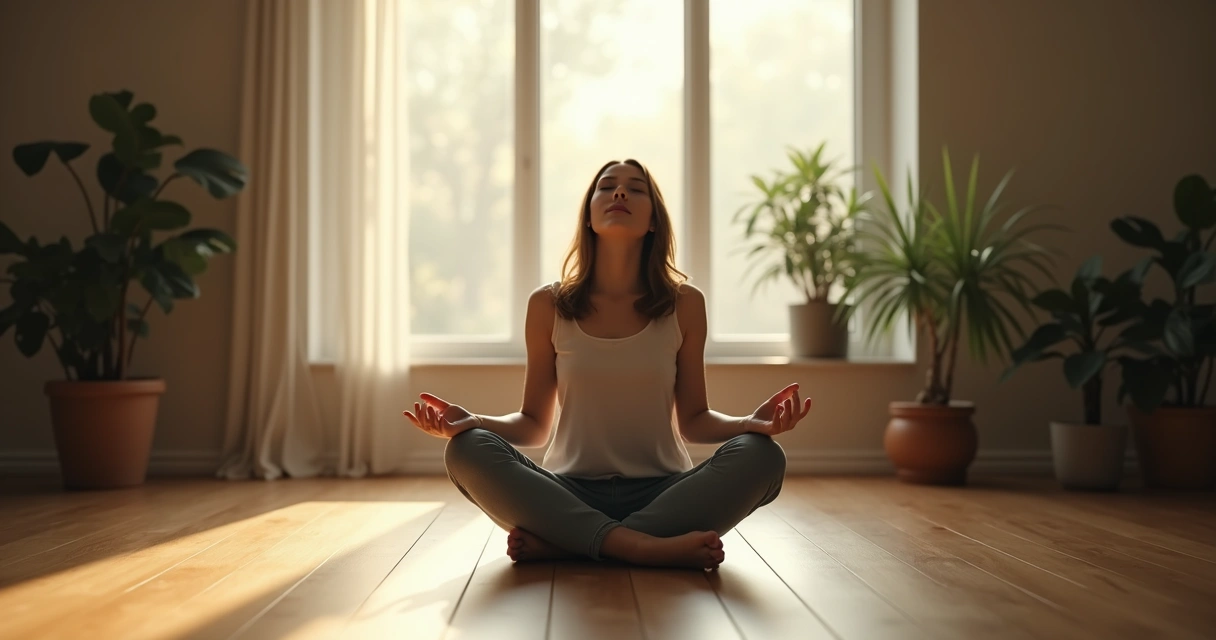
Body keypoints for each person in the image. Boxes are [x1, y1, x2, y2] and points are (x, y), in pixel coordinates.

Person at [403, 159, 812, 570]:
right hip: (566, 492)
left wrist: (751, 425)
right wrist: (472, 421)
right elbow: (533, 424)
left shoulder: (685, 304)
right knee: (466, 450)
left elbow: (694, 420)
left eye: (636, 188)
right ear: (589, 214)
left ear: (654, 220)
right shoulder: (547, 305)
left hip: (665, 491)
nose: (619, 193)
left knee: (764, 457)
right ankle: (641, 547)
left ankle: (572, 543)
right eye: (607, 186)